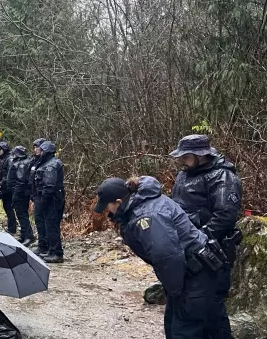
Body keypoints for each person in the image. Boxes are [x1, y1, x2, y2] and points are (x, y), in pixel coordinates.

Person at [94, 176, 231, 339]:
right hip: (195, 270)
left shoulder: (146, 215)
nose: (107, 212)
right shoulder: (142, 203)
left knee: (183, 331)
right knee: (200, 324)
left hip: (195, 274)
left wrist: (175, 291)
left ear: (118, 201)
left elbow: (167, 256)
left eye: (108, 206)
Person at [169, 134, 241, 331]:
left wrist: (198, 240)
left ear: (200, 155)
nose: (182, 160)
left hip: (211, 252)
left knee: (212, 308)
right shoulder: (184, 175)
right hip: (185, 248)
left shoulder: (222, 176)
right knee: (185, 303)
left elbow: (225, 216)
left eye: (186, 156)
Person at [32, 141, 64, 263]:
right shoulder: (46, 163)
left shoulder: (51, 165)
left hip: (53, 200)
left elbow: (49, 185)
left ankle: (57, 253)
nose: (38, 152)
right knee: (48, 225)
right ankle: (51, 250)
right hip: (48, 199)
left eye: (41, 150)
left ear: (46, 152)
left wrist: (43, 200)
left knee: (52, 226)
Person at [7, 146, 34, 246]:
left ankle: (28, 235)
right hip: (18, 192)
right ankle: (24, 235)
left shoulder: (22, 164)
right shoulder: (21, 162)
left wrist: (16, 195)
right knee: (21, 214)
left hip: (20, 193)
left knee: (22, 215)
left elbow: (21, 181)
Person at [29, 138, 48, 256]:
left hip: (43, 196)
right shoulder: (35, 161)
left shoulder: (45, 162)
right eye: (34, 147)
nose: (35, 149)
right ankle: (42, 244)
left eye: (38, 147)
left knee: (43, 221)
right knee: (39, 220)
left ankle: (44, 245)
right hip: (35, 195)